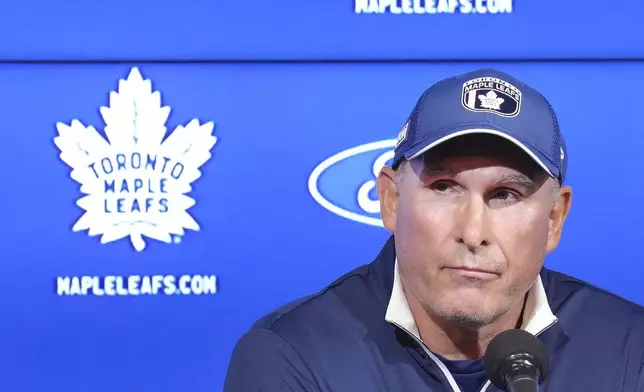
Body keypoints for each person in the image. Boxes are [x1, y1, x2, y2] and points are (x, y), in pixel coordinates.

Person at [223, 68, 644, 392]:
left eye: (505, 195)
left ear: (554, 219)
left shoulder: (630, 351)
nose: (473, 232)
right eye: (444, 187)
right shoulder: (294, 357)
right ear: (391, 200)